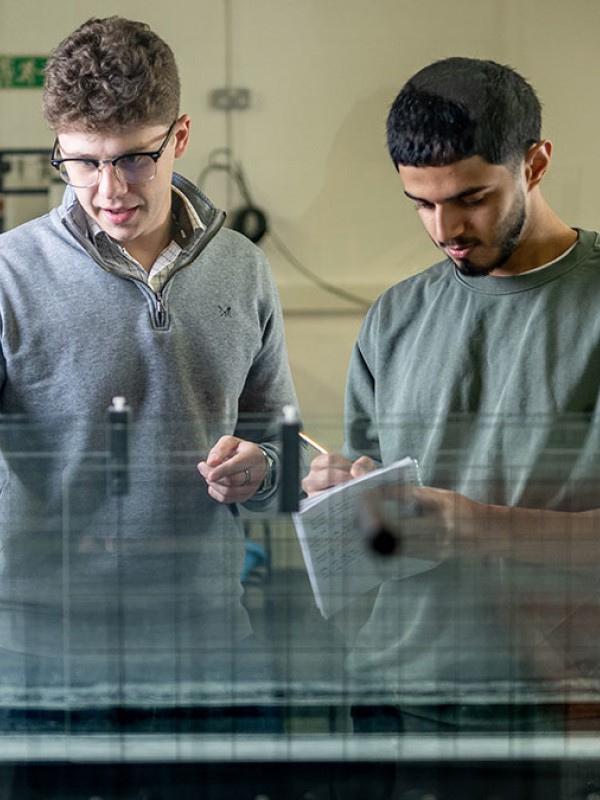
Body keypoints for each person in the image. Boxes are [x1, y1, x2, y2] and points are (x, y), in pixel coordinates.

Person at [0, 16, 298, 731]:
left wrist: (263, 470)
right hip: (46, 665)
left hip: (209, 650)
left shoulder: (243, 268)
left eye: (134, 159)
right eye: (81, 162)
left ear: (180, 136)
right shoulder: (9, 275)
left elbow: (287, 457)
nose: (108, 189)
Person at [303, 56, 600, 734]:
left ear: (536, 164)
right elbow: (369, 525)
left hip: (558, 709)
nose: (445, 230)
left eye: (471, 199)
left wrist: (474, 525)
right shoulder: (395, 315)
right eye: (422, 204)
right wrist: (340, 494)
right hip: (395, 691)